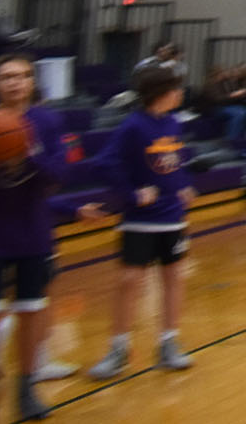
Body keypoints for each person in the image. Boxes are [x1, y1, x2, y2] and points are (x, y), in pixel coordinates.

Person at [0, 56, 69, 423]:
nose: (15, 82)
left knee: (31, 312)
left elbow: (57, 175)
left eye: (22, 76)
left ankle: (27, 389)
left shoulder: (48, 121)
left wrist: (26, 153)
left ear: (31, 82)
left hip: (32, 232)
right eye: (7, 77)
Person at [84, 65, 197, 380]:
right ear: (161, 92)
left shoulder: (173, 122)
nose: (180, 93)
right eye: (176, 87)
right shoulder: (133, 126)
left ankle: (168, 344)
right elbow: (103, 164)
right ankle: (118, 349)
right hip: (140, 221)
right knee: (130, 282)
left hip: (172, 218)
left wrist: (183, 183)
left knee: (174, 278)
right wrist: (132, 193)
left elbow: (175, 159)